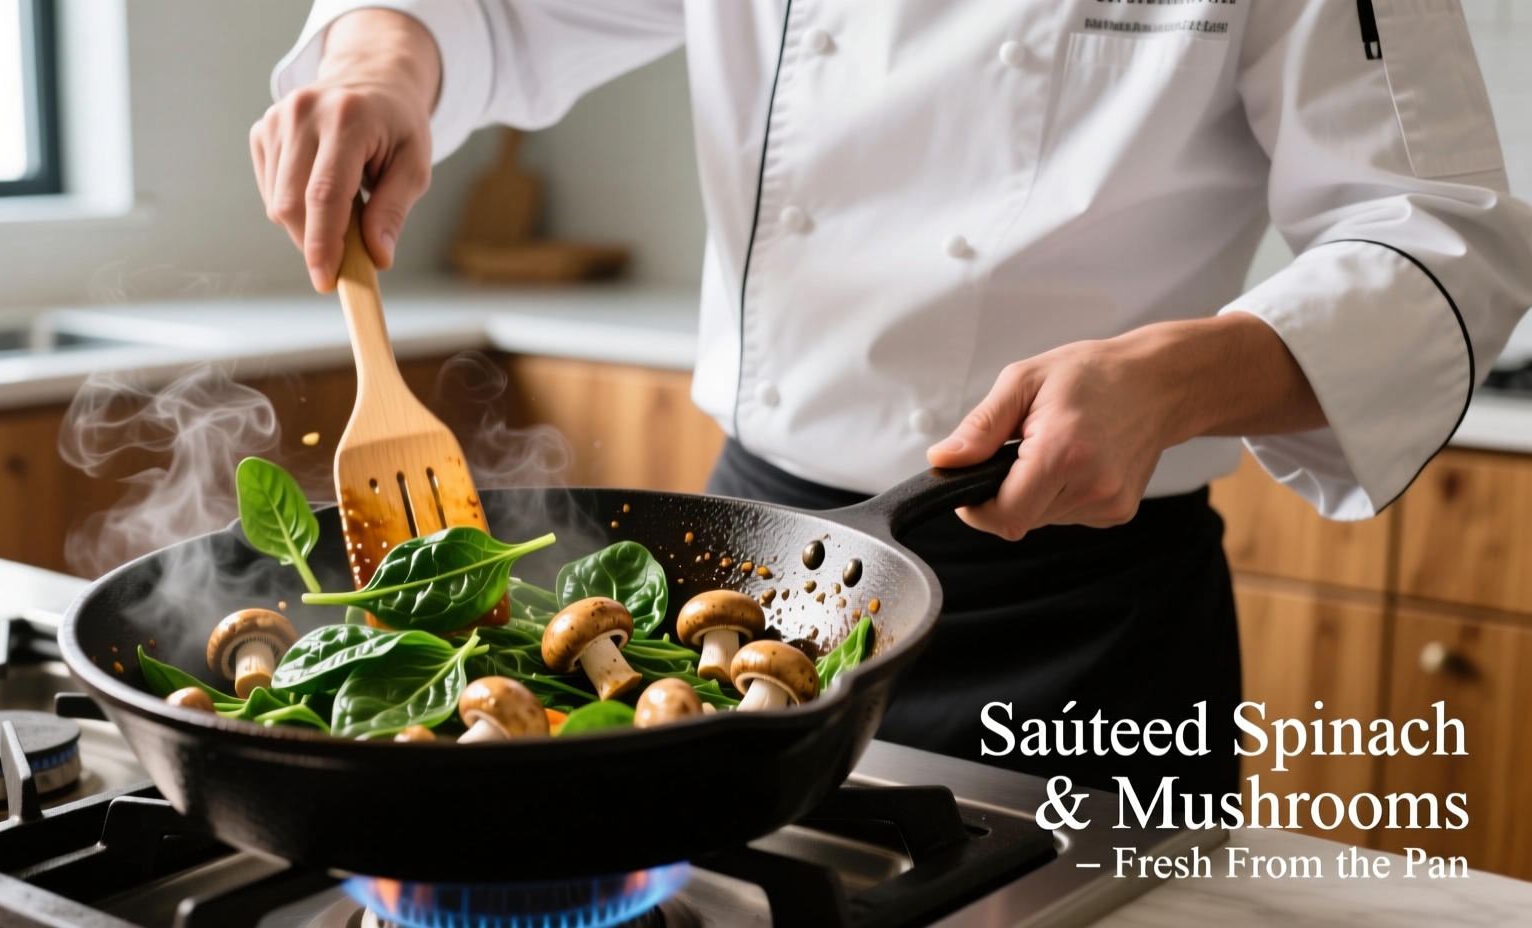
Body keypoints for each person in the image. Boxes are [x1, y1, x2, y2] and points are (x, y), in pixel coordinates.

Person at [251, 1, 1532, 801]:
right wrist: (381, 59)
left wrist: (1176, 374)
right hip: (753, 568)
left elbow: (1439, 237)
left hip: (1080, 615)